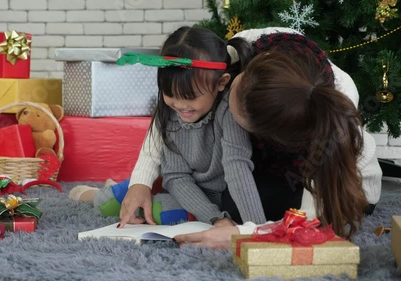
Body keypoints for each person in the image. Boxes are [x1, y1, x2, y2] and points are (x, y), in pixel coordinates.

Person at [121, 27, 381, 249]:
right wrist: (140, 182)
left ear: (267, 134)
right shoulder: (246, 47)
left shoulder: (332, 125)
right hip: (276, 167)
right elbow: (167, 116)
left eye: (235, 118)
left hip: (336, 184)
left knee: (253, 211)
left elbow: (308, 221)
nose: (224, 105)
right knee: (234, 200)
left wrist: (245, 235)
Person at [70, 26, 268, 227]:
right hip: (180, 188)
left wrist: (257, 229)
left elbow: (237, 168)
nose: (180, 105)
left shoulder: (228, 112)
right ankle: (96, 193)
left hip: (209, 197)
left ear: (221, 82)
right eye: (170, 94)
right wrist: (216, 218)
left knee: (155, 212)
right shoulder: (169, 113)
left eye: (190, 96)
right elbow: (176, 176)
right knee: (109, 203)